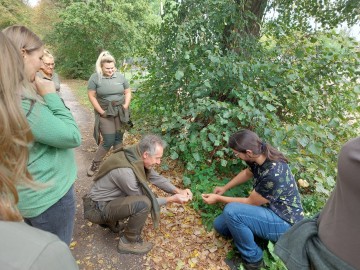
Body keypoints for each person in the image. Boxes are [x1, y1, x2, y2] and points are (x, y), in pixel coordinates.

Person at [0, 31, 78, 270]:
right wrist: (51, 97)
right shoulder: (22, 104)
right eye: (40, 57)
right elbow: (72, 135)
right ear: (23, 53)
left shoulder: (12, 97)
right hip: (50, 199)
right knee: (52, 254)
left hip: (30, 198)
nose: (43, 65)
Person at [202, 129, 304, 270]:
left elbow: (250, 202)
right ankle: (250, 234)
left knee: (232, 211)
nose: (237, 156)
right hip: (269, 210)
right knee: (220, 226)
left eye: (237, 154)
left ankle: (254, 261)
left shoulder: (273, 172)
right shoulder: (259, 157)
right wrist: (224, 188)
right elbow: (247, 173)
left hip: (286, 224)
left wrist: (219, 198)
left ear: (248, 152)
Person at [83, 134, 193, 254]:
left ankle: (110, 221)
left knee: (138, 199)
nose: (159, 162)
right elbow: (146, 200)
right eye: (157, 158)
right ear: (146, 154)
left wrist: (178, 190)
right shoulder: (126, 171)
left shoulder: (134, 154)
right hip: (96, 209)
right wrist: (171, 199)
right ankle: (129, 242)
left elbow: (154, 176)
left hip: (103, 202)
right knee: (143, 203)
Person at [275, 137, 360, 270]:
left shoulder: (273, 169)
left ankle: (253, 260)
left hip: (288, 220)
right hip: (317, 249)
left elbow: (255, 200)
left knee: (234, 213)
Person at [87, 50, 132, 177]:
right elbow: (91, 96)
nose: (111, 70)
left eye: (112, 68)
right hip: (105, 112)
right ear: (101, 67)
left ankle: (117, 165)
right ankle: (95, 163)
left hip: (120, 111)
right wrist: (101, 111)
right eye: (107, 68)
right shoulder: (95, 78)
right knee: (108, 140)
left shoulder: (120, 77)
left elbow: (128, 91)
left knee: (118, 138)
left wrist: (125, 105)